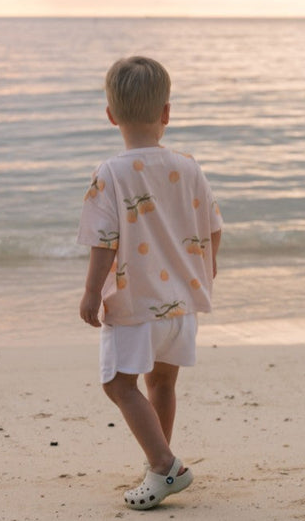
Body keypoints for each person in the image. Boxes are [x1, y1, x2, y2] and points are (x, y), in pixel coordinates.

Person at [77, 56, 222, 510]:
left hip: (136, 304)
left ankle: (164, 464)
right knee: (162, 383)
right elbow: (213, 226)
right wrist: (206, 268)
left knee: (118, 386)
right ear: (166, 113)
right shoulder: (188, 167)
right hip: (180, 305)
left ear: (110, 115)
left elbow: (104, 241)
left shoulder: (112, 173)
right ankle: (158, 465)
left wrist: (89, 292)